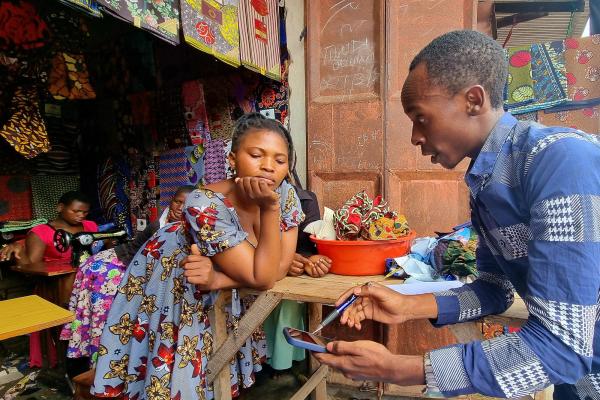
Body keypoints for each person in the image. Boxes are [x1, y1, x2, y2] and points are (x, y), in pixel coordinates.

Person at [314, 30, 600, 400]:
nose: (415, 137)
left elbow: (561, 346)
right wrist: (406, 304)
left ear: (473, 100)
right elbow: (495, 288)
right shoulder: (487, 181)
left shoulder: (558, 161)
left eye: (420, 117)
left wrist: (399, 369)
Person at [92, 113, 305, 399]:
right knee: (176, 379)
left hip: (215, 285)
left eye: (280, 161)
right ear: (231, 159)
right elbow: (263, 275)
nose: (268, 167)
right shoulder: (203, 203)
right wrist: (267, 211)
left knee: (214, 376)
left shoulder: (284, 195)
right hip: (177, 284)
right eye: (256, 155)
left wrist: (220, 278)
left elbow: (275, 269)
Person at [59, 186, 194, 373]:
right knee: (103, 313)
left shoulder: (186, 227)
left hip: (127, 265)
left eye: (186, 204)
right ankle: (94, 361)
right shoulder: (160, 225)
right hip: (112, 266)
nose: (179, 207)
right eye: (177, 201)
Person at [0, 191, 97, 368]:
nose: (81, 216)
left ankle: (89, 357)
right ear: (60, 208)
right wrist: (19, 245)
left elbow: (101, 248)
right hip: (56, 287)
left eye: (84, 212)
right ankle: (69, 362)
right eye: (76, 211)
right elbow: (32, 265)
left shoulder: (90, 226)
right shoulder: (41, 232)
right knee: (66, 325)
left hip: (87, 284)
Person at [263, 179, 332, 373]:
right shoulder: (235, 200)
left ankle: (281, 365)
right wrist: (280, 258)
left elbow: (308, 244)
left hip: (287, 276)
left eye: (278, 159)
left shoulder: (305, 199)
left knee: (287, 301)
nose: (267, 166)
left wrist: (308, 260)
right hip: (252, 271)